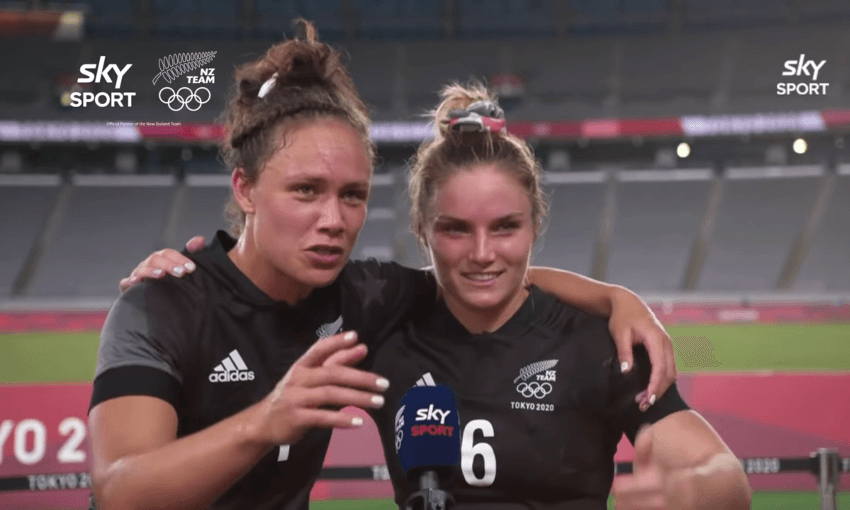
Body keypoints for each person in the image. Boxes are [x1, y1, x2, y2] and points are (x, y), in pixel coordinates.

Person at [102, 24, 678, 510]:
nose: (334, 220)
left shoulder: (359, 297)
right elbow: (118, 491)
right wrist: (266, 421)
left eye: (352, 195)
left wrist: (614, 299)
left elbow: (475, 274)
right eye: (306, 190)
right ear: (245, 188)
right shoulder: (160, 304)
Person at [361, 84, 751, 509]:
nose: (482, 253)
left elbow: (725, 477)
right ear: (422, 230)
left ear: (535, 225)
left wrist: (688, 492)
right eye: (456, 229)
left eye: (505, 227)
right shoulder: (385, 333)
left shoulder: (598, 343)